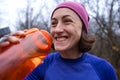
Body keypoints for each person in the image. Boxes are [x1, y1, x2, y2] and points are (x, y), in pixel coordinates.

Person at [0, 1, 117, 80]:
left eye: (67, 21)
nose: (57, 29)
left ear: (83, 29)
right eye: (53, 23)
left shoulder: (103, 69)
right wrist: (6, 57)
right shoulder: (41, 64)